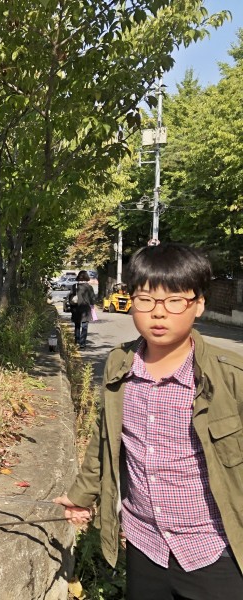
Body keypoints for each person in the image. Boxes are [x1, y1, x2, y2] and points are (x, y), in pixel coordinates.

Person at [54, 243, 243, 599]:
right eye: (145, 300)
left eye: (175, 301)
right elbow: (105, 438)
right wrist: (82, 496)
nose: (159, 314)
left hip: (216, 551)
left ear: (198, 304)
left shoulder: (231, 376)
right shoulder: (119, 365)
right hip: (145, 547)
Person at [70, 270, 97, 349]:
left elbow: (70, 298)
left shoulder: (74, 286)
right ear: (86, 277)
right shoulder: (89, 287)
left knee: (77, 325)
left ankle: (77, 341)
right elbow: (92, 300)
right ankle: (82, 343)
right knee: (84, 326)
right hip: (85, 309)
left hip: (76, 309)